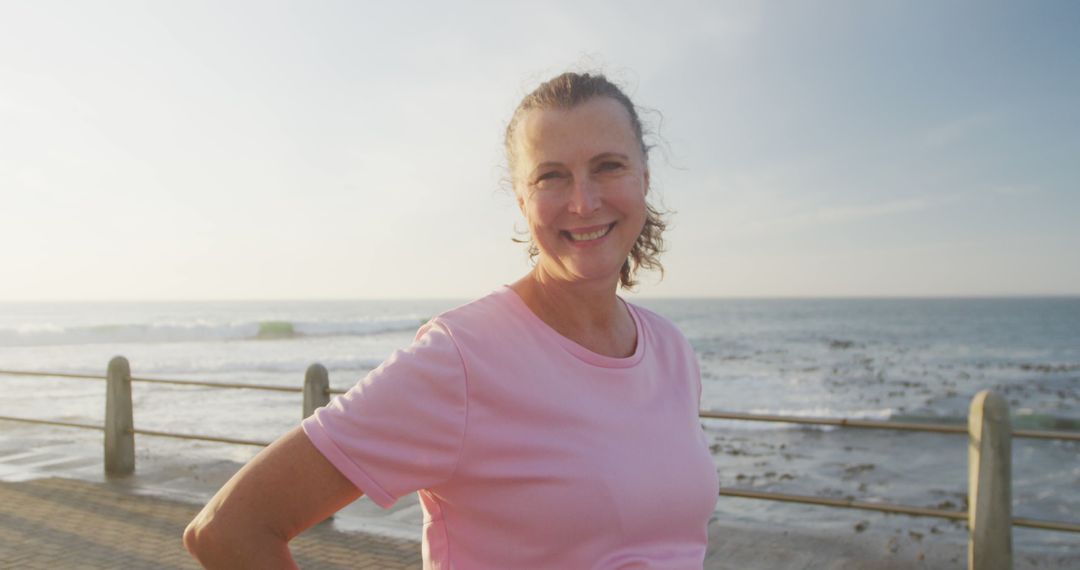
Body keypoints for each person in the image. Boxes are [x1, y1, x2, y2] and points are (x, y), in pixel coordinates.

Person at [183, 71, 719, 569]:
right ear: (522, 200)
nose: (583, 201)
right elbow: (228, 529)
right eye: (552, 177)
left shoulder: (671, 351)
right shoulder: (463, 358)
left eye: (608, 166)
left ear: (644, 178)